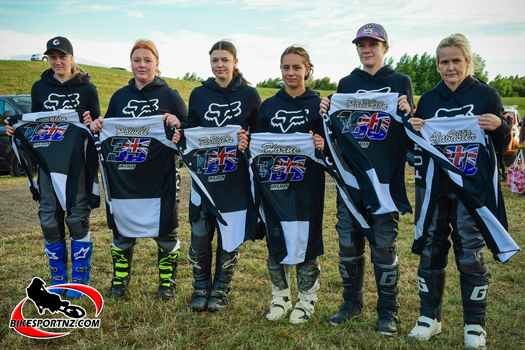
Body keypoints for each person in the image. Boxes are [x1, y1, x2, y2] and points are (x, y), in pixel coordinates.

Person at [407, 34, 511, 349]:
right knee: (431, 247)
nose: (450, 67)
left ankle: (475, 325)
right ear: (438, 64)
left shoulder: (486, 95)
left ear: (468, 61)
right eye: (444, 62)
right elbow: (419, 149)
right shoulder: (429, 99)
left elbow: (499, 148)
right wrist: (414, 130)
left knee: (470, 252)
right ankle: (429, 317)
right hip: (436, 186)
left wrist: (501, 128)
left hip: (473, 187)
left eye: (456, 61)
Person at [319, 23, 414, 335]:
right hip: (351, 180)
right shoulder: (347, 83)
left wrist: (406, 110)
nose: (366, 49)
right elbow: (335, 130)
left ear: (385, 48)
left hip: (384, 180)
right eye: (361, 44)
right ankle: (351, 302)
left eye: (373, 44)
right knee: (347, 241)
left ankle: (388, 309)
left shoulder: (400, 81)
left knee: (384, 244)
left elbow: (409, 133)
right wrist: (326, 109)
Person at [89, 39, 187, 300]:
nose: (142, 65)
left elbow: (189, 129)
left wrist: (179, 123)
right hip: (124, 176)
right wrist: (99, 124)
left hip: (161, 177)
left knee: (166, 230)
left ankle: (167, 282)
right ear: (130, 63)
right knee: (121, 231)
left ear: (157, 64)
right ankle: (120, 280)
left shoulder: (170, 95)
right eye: (137, 60)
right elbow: (108, 128)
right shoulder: (121, 96)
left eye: (147, 60)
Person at [6, 36, 100, 299]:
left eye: (63, 56)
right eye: (52, 57)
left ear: (72, 58)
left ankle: (80, 279)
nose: (58, 61)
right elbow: (33, 125)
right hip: (48, 165)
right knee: (49, 217)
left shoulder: (87, 89)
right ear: (48, 58)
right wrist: (17, 128)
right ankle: (58, 276)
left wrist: (92, 122)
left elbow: (95, 127)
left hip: (77, 165)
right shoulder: (39, 88)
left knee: (77, 216)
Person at [173, 40, 261, 312]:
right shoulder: (199, 93)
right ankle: (201, 289)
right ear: (209, 63)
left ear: (235, 62)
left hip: (235, 177)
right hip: (204, 174)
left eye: (225, 59)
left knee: (228, 231)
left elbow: (258, 134)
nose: (220, 65)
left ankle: (221, 289)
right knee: (200, 232)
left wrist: (248, 140)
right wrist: (180, 133)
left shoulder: (250, 95)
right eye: (215, 60)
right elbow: (192, 129)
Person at [254, 45, 325, 324]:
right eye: (286, 67)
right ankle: (280, 296)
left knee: (308, 241)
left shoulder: (319, 104)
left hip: (307, 185)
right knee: (276, 237)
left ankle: (307, 299)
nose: (291, 72)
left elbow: (331, 144)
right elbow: (258, 143)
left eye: (297, 67)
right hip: (274, 184)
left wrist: (322, 144)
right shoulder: (269, 105)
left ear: (308, 69)